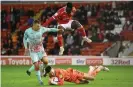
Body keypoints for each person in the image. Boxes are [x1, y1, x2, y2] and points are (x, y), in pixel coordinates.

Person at [23, 20, 62, 85]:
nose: (39, 27)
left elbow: (50, 29)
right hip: (33, 51)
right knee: (36, 65)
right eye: (38, 26)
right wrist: (26, 47)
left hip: (40, 49)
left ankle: (42, 70)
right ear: (34, 25)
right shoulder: (27, 31)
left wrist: (57, 30)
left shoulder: (41, 29)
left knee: (46, 61)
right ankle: (40, 81)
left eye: (39, 25)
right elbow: (24, 39)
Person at [44, 65, 109, 85]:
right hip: (73, 80)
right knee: (86, 82)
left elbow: (61, 83)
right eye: (50, 73)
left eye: (51, 72)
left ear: (52, 69)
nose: (51, 74)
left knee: (92, 78)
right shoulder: (51, 74)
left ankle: (99, 67)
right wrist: (51, 82)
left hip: (75, 74)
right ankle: (92, 69)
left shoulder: (59, 72)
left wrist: (52, 82)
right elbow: (54, 80)